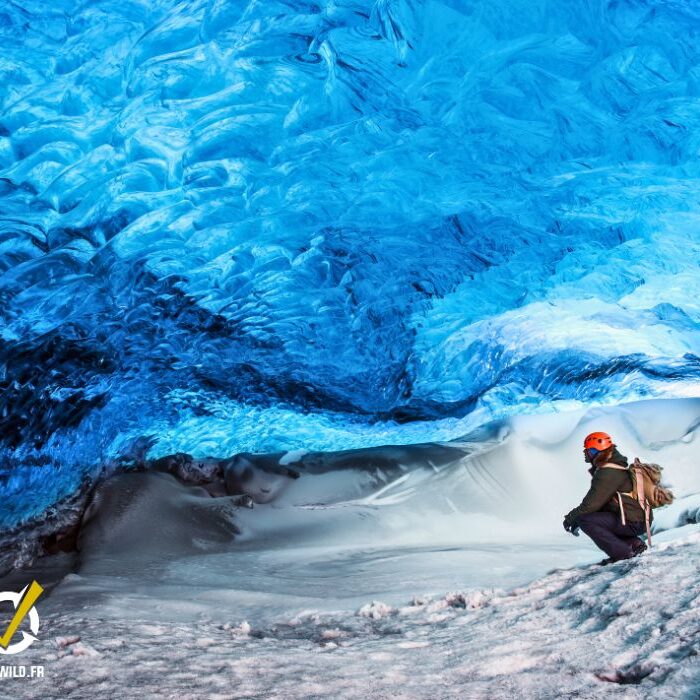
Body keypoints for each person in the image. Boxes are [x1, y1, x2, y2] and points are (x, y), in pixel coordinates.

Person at [563, 431, 649, 565]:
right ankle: (634, 544)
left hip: (633, 521)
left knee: (586, 520)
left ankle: (623, 554)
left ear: (597, 452)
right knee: (597, 517)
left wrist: (571, 518)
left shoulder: (609, 472)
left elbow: (591, 504)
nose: (586, 453)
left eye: (589, 451)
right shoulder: (613, 466)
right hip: (635, 518)